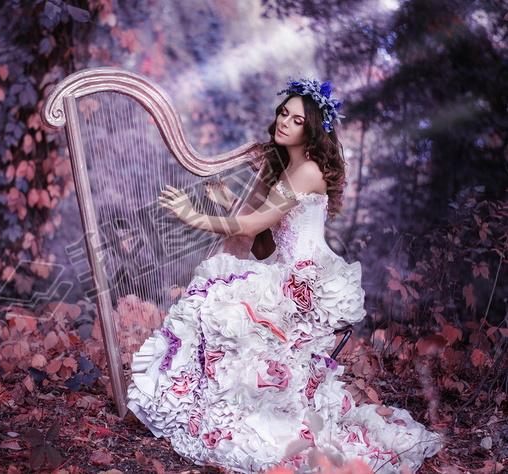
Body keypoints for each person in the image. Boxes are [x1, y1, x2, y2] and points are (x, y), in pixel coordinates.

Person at [126, 78, 443, 473]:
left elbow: (256, 222)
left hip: (306, 281)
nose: (285, 122)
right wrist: (229, 204)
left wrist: (193, 215)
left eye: (296, 119)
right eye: (283, 113)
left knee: (217, 301)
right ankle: (207, 403)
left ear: (311, 129)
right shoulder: (288, 169)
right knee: (214, 298)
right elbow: (263, 246)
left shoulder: (308, 170)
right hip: (285, 271)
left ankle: (227, 410)